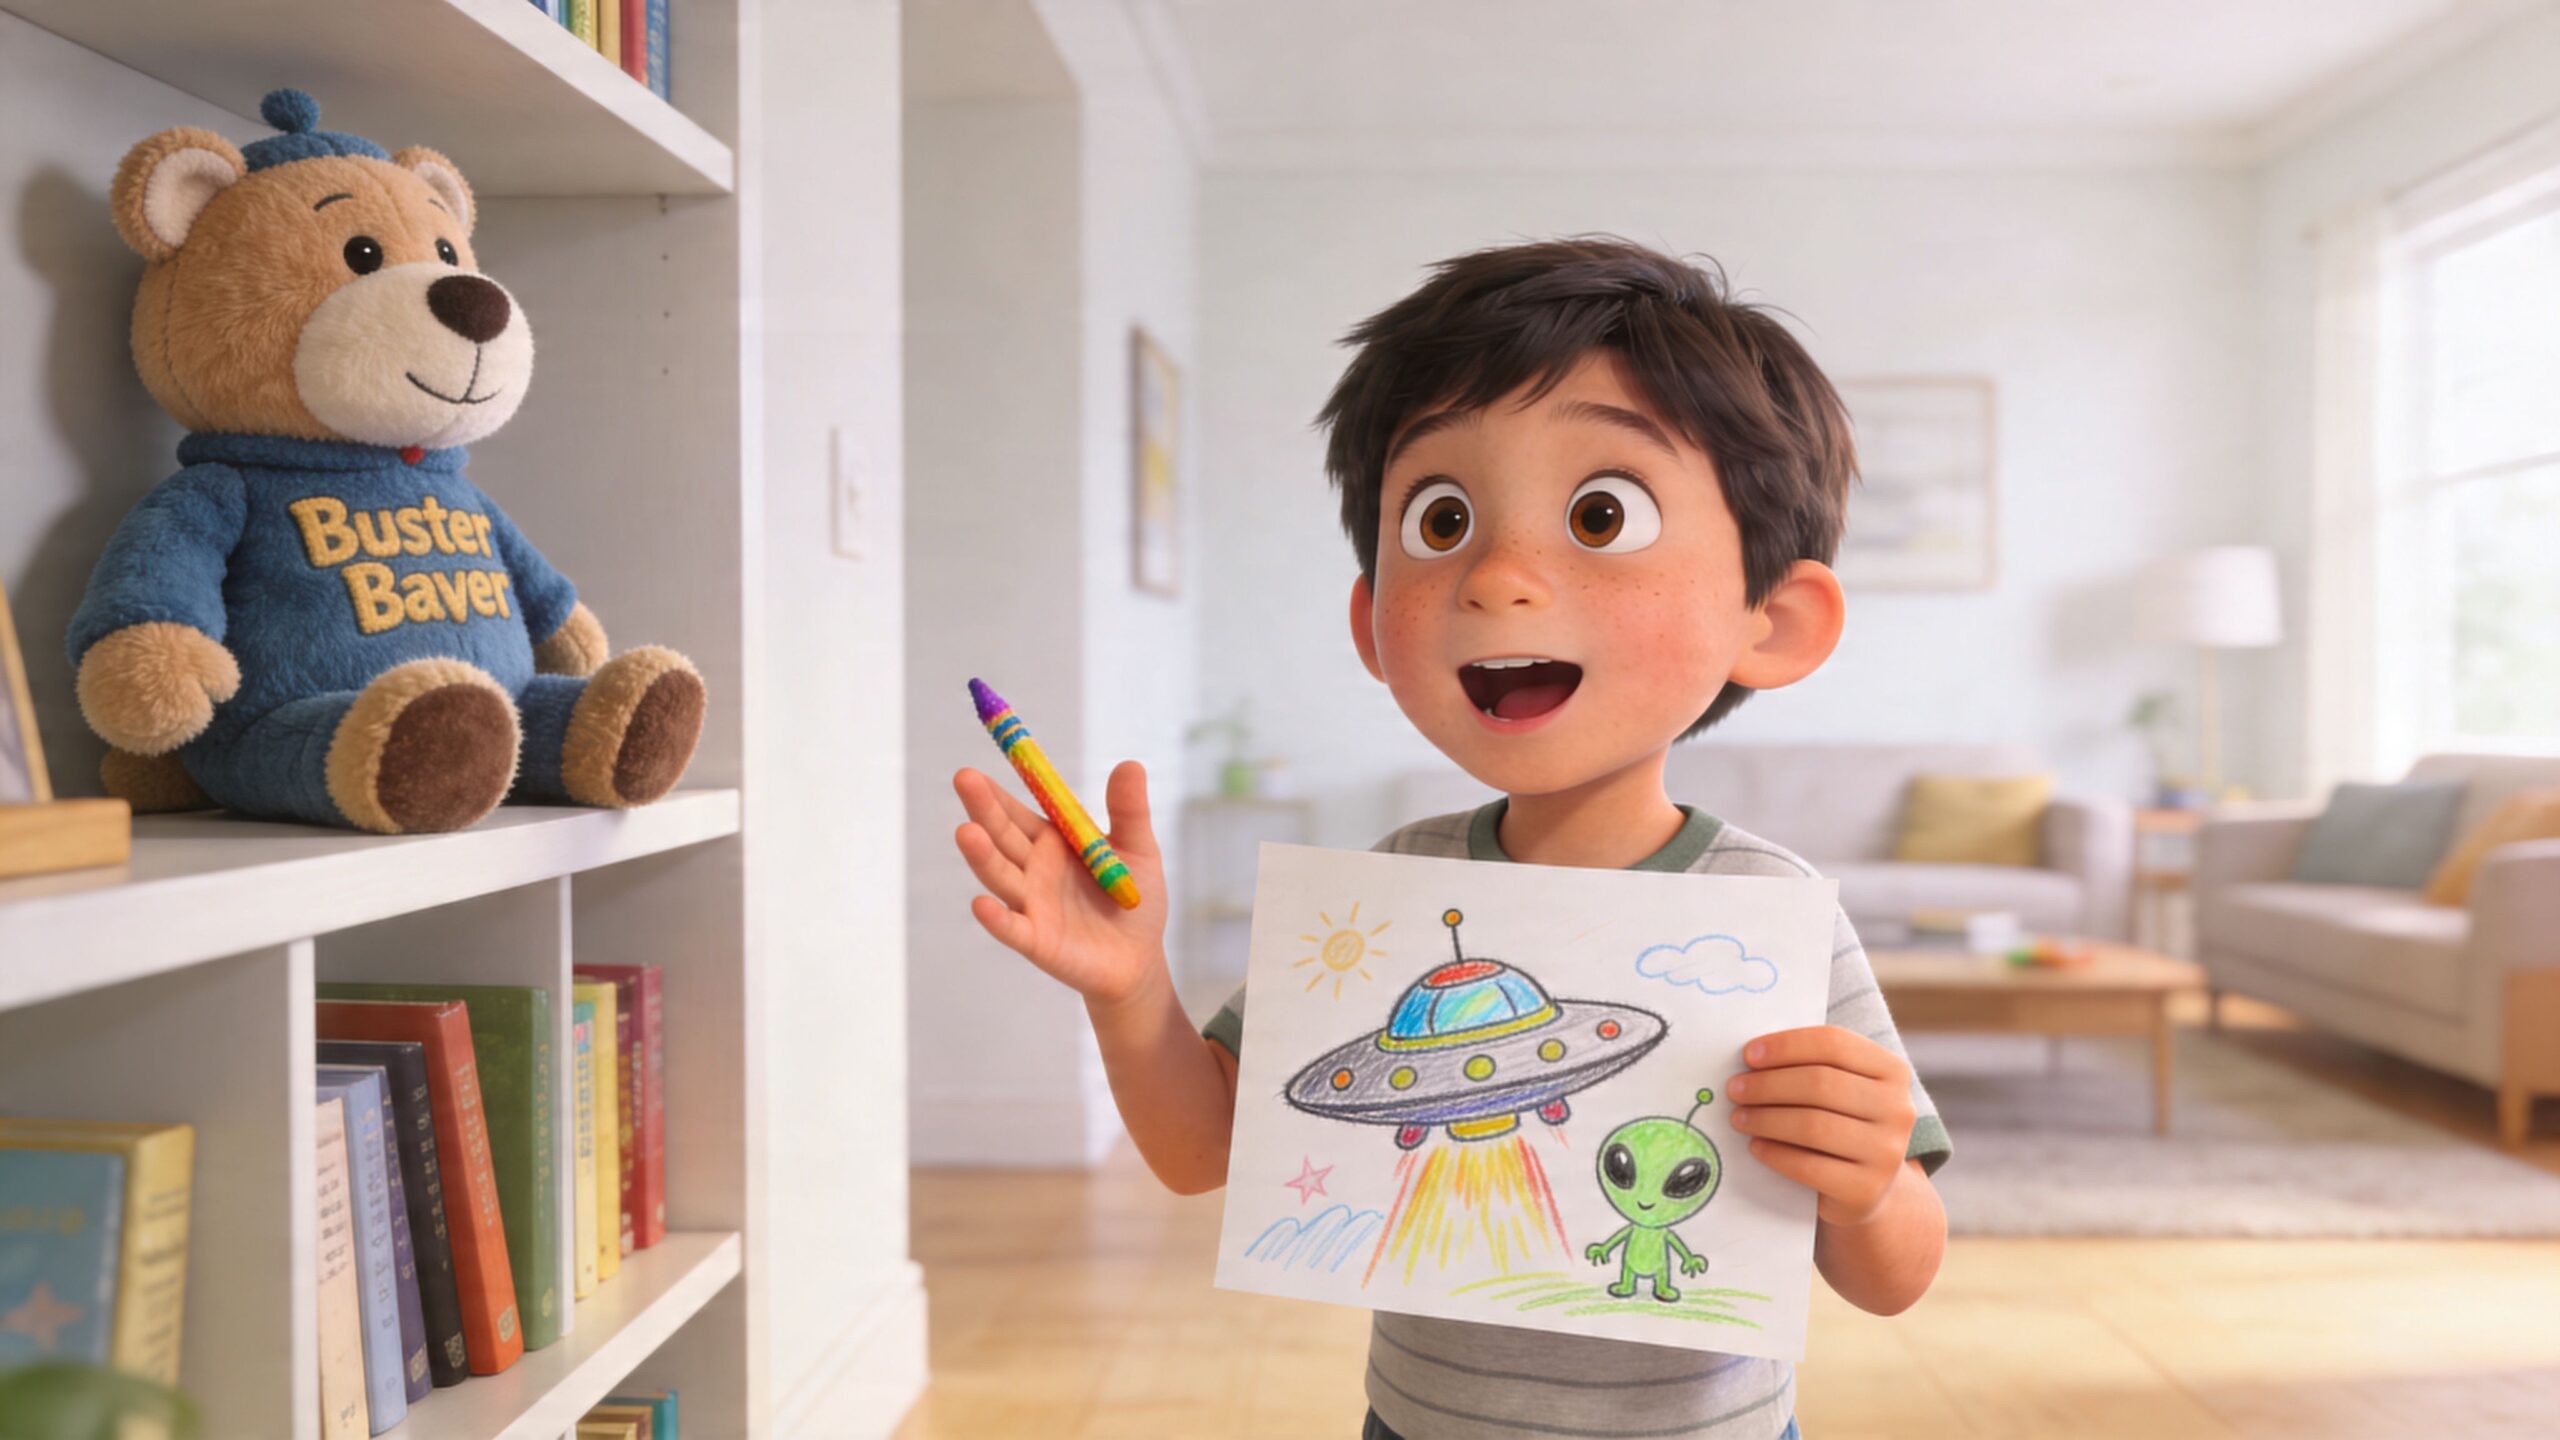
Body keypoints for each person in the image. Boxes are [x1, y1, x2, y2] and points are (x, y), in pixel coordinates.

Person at [952, 235, 1950, 1440]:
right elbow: (1198, 1149)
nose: (1497, 576)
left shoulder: (1770, 908)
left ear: (1772, 619)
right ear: (1373, 625)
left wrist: (1868, 1179)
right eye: (1440, 517)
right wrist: (1127, 988)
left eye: (1600, 512)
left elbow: (1892, 1278)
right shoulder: (1391, 895)